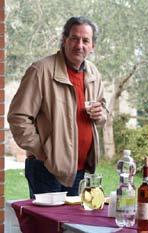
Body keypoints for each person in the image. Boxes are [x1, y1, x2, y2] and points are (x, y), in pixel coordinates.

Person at [7, 16, 107, 198]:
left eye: (86, 40)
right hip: (46, 169)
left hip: (80, 170)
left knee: (71, 226)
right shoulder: (40, 71)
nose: (79, 45)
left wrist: (100, 114)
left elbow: (103, 110)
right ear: (64, 40)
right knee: (45, 226)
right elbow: (18, 117)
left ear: (92, 46)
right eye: (74, 38)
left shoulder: (93, 73)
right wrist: (43, 152)